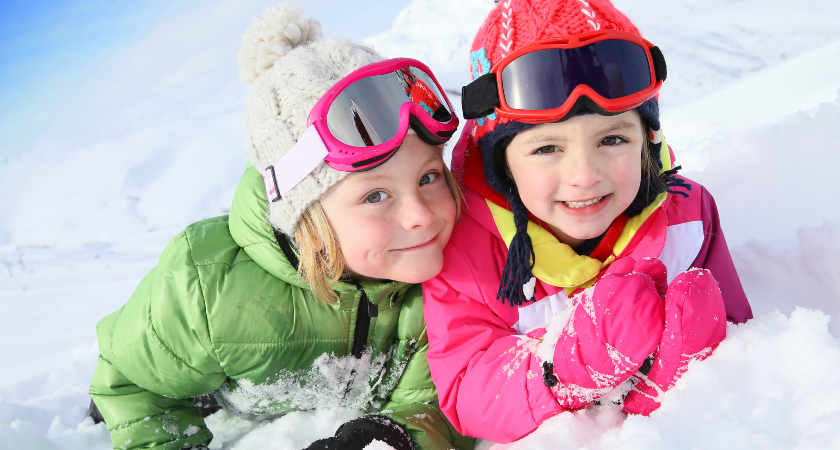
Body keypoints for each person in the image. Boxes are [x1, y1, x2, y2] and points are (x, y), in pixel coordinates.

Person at [88, 4, 474, 450]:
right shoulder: (207, 288)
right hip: (211, 389)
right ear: (306, 216)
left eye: (428, 178)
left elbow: (436, 400)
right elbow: (131, 384)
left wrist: (392, 437)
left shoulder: (451, 277)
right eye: (374, 196)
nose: (422, 216)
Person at [421, 0, 754, 444]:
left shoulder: (688, 215)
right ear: (500, 163)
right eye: (546, 149)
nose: (584, 175)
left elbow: (746, 339)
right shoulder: (466, 255)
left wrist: (695, 366)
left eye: (613, 139)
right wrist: (565, 365)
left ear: (646, 140)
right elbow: (466, 391)